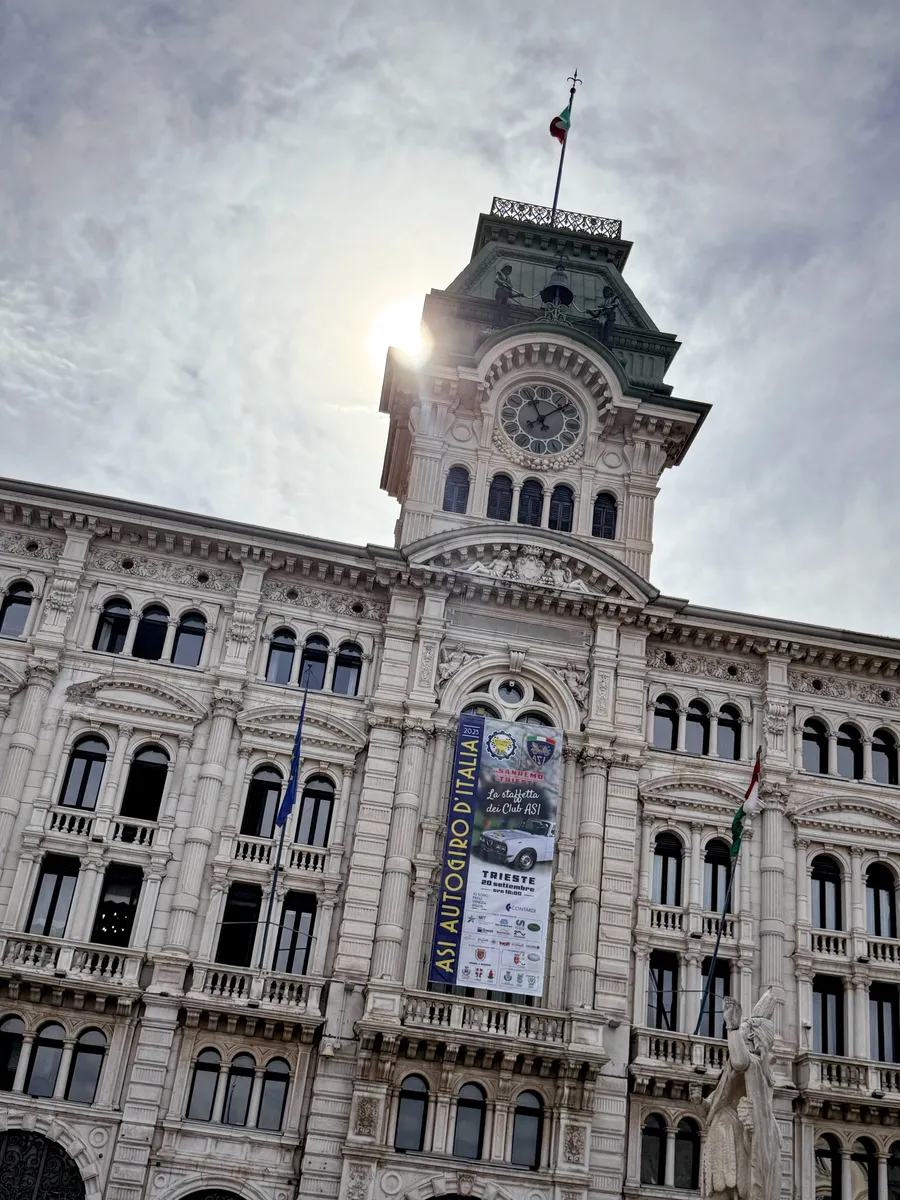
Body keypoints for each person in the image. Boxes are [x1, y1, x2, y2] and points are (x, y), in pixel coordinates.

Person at [694, 990, 780, 1200]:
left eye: (742, 1031)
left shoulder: (754, 1066)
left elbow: (741, 1061)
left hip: (734, 1133)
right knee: (718, 1192)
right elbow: (711, 1107)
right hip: (721, 1132)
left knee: (726, 1191)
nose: (736, 1035)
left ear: (752, 1038)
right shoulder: (730, 1070)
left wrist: (731, 1026)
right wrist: (698, 1102)